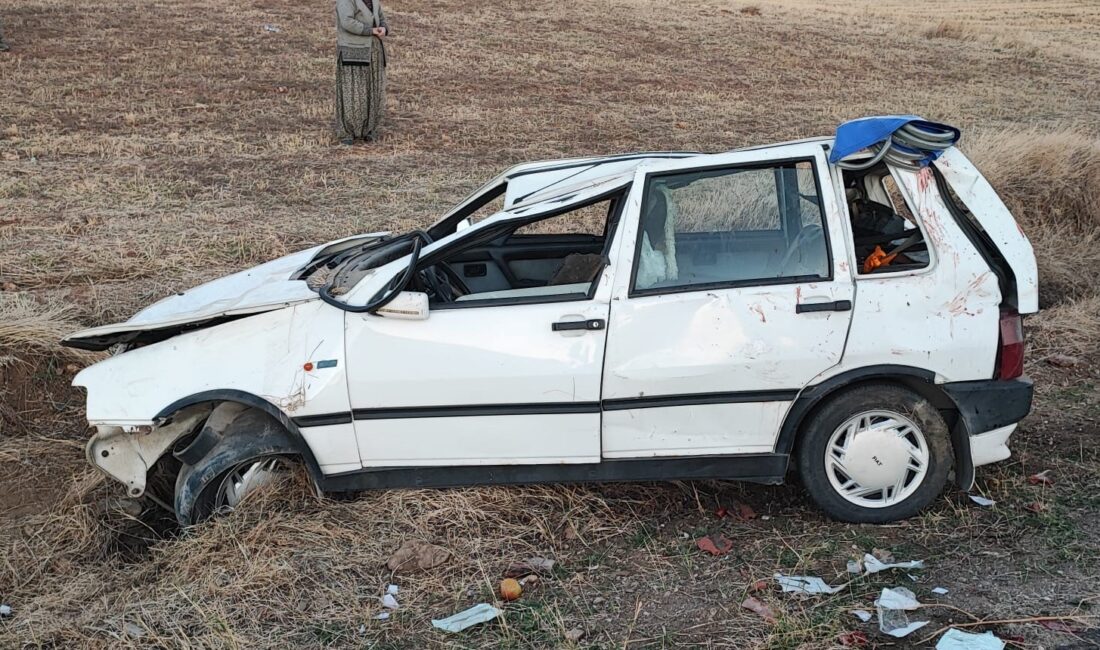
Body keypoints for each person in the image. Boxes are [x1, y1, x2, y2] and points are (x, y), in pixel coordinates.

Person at [334, 0, 389, 143]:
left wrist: (383, 27)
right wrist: (370, 30)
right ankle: (348, 132)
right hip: (353, 51)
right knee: (353, 93)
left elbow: (381, 17)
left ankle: (369, 129)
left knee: (373, 91)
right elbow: (346, 22)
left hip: (374, 51)